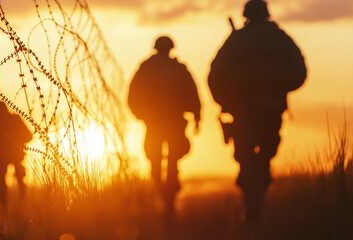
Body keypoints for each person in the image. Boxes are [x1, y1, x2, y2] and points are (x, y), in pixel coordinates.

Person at [208, 0, 307, 223]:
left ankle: (252, 202)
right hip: (268, 111)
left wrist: (226, 102)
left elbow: (214, 76)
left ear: (246, 15)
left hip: (244, 112)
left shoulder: (236, 40)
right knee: (262, 157)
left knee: (245, 158)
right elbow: (300, 72)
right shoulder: (280, 38)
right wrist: (279, 87)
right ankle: (255, 201)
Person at [128, 36, 201, 214]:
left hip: (157, 122)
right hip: (169, 122)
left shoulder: (146, 68)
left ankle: (165, 194)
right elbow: (193, 94)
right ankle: (167, 195)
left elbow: (132, 96)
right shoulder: (178, 69)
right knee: (169, 159)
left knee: (157, 159)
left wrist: (142, 116)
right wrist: (197, 116)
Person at [0, 101, 32, 203]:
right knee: (3, 182)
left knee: (19, 178)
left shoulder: (14, 120)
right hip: (4, 157)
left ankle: (22, 202)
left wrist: (16, 141)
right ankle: (5, 203)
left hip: (15, 155)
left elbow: (28, 136)